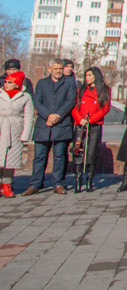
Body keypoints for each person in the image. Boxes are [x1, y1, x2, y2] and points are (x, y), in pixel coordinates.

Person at [25, 58, 77, 195]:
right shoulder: (42, 83)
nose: (59, 71)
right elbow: (37, 101)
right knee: (39, 156)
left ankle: (58, 183)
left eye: (60, 68)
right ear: (49, 70)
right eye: (56, 69)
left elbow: (70, 101)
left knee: (59, 155)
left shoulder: (69, 83)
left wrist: (57, 116)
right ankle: (35, 184)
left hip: (61, 124)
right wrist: (48, 116)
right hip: (44, 124)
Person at [70, 67, 111, 193]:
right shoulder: (80, 90)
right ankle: (77, 180)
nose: (87, 78)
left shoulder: (104, 90)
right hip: (80, 124)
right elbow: (74, 107)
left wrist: (91, 119)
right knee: (78, 151)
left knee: (92, 151)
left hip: (94, 125)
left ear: (96, 76)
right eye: (86, 75)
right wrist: (79, 119)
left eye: (89, 75)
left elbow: (105, 108)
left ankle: (89, 180)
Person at [0, 71, 33, 197]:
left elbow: (29, 117)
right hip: (1, 127)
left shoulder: (25, 97)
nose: (6, 84)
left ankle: (7, 185)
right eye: (6, 81)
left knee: (10, 159)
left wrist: (25, 135)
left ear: (17, 84)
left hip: (14, 130)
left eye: (10, 82)